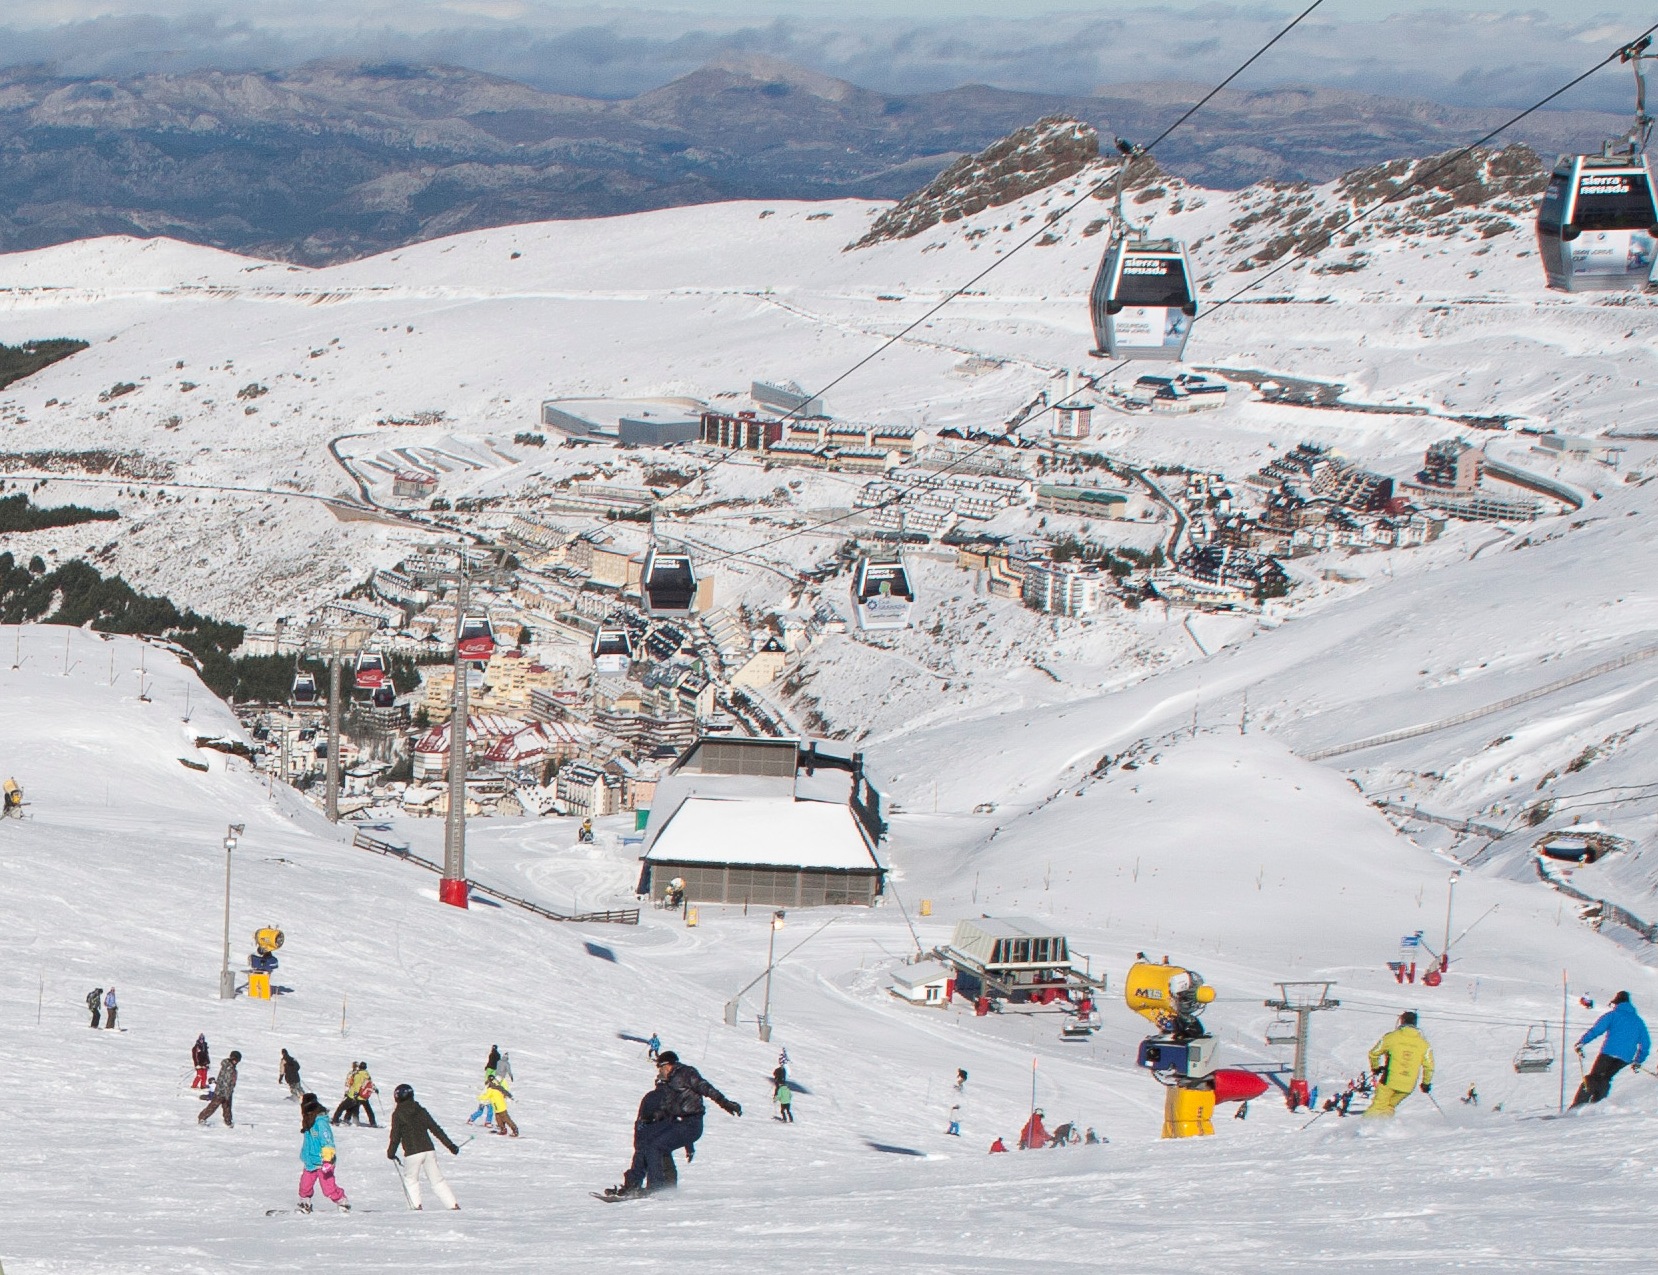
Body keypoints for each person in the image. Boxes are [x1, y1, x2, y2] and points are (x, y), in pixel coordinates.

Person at [628, 1051, 741, 1194]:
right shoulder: (669, 1085)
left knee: (655, 1146)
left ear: (667, 1065)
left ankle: (657, 1188)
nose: (659, 1072)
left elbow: (706, 1088)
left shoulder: (686, 1073)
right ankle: (638, 1185)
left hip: (691, 1123)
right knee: (648, 1143)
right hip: (679, 1124)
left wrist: (725, 1103)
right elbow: (670, 1110)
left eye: (660, 1068)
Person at [387, 1083, 461, 1210]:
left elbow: (395, 1136)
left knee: (411, 1180)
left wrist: (391, 1152)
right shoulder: (420, 1110)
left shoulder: (398, 1114)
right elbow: (436, 1129)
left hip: (412, 1152)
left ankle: (415, 1206)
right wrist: (450, 1146)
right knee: (437, 1180)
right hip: (429, 1150)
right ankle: (453, 1205)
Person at [1573, 990, 1650, 1107]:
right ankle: (1597, 1106)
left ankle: (1578, 1106)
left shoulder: (1613, 1015)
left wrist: (1582, 1042)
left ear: (1617, 1003)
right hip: (1625, 1058)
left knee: (1593, 1077)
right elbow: (1646, 1043)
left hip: (1608, 1052)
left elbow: (1597, 1030)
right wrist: (1638, 1060)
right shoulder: (1639, 1021)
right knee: (1605, 1078)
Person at [1365, 1011, 1435, 1119]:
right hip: (1408, 1085)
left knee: (1378, 1106)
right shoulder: (1424, 1044)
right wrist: (1426, 1083)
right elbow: (1429, 1066)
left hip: (1389, 1080)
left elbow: (1373, 1053)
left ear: (1402, 1021)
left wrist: (1376, 1068)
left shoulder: (1392, 1037)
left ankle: (1365, 1127)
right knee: (1389, 1106)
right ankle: (1382, 1129)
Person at [298, 1093, 351, 1213]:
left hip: (323, 1161)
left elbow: (328, 1142)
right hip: (311, 1160)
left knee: (328, 1188)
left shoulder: (320, 1122)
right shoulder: (308, 1120)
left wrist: (328, 1160)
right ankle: (304, 1203)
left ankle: (342, 1201)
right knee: (305, 1186)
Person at [198, 1051, 242, 1127]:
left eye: (237, 1060)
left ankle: (228, 1121)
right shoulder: (228, 1067)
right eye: (234, 1059)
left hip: (228, 1092)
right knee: (213, 1106)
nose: (235, 1061)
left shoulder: (232, 1067)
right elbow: (226, 1081)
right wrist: (225, 1092)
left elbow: (231, 1081)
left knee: (227, 1108)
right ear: (231, 1058)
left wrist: (229, 1092)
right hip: (221, 1092)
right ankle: (202, 1118)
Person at [355, 1063, 379, 1128]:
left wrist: (356, 1092)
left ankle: (355, 1121)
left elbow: (357, 1084)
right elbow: (371, 1083)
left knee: (355, 1108)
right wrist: (375, 1089)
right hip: (365, 1096)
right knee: (368, 1110)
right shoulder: (367, 1075)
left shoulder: (359, 1074)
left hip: (359, 1095)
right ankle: (373, 1122)